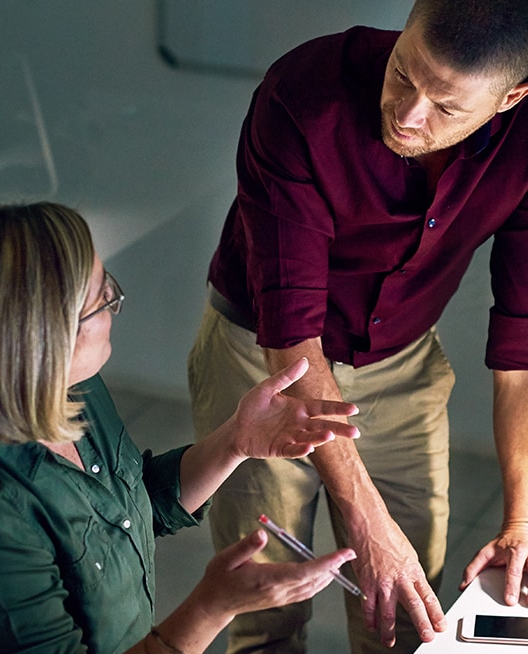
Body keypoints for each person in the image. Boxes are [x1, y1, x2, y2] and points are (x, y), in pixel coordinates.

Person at [187, 0, 528, 652]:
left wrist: (518, 521)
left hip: (399, 362)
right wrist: (363, 520)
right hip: (261, 362)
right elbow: (291, 332)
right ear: (403, 29)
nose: (406, 115)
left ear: (510, 98)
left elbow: (520, 345)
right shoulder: (302, 95)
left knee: (405, 606)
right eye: (404, 73)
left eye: (446, 107)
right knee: (266, 605)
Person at [0, 202, 362, 654]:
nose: (115, 305)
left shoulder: (71, 387)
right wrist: (211, 607)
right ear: (43, 338)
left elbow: (129, 505)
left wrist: (236, 441)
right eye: (101, 299)